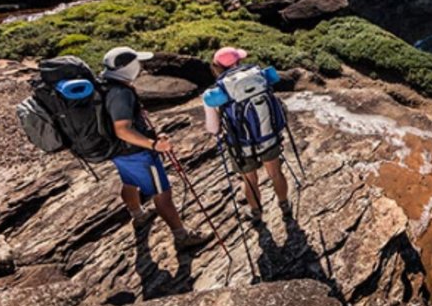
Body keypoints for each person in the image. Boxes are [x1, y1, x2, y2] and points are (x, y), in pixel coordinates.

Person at [102, 46, 211, 250]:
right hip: (137, 153)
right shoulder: (121, 94)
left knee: (129, 182)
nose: (140, 66)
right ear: (127, 67)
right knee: (162, 193)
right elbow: (122, 129)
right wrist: (153, 144)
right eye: (136, 63)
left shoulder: (106, 86)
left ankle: (138, 215)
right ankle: (181, 236)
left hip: (120, 152)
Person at [203, 47, 292, 225]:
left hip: (240, 143)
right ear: (238, 62)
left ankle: (256, 213)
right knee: (275, 173)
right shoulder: (260, 76)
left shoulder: (216, 93)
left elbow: (213, 129)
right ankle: (284, 206)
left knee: (249, 180)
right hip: (268, 135)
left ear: (217, 67)